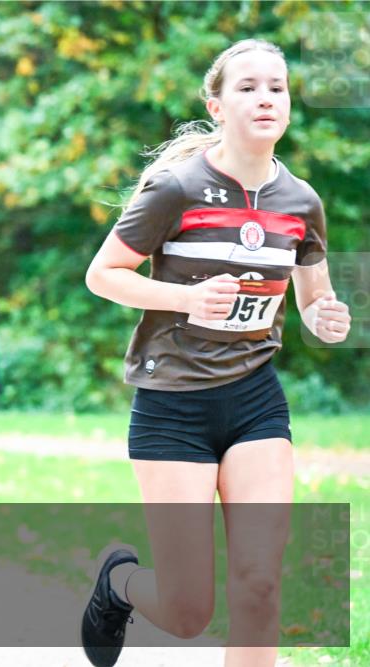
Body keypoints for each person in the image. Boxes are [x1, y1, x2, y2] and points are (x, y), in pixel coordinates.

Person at [81, 39, 351, 667]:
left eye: (277, 88)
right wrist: (184, 299)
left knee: (259, 586)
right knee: (187, 613)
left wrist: (326, 319)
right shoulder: (176, 190)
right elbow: (104, 275)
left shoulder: (301, 202)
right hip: (173, 406)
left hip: (254, 399)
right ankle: (118, 584)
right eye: (248, 87)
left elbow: (314, 301)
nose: (265, 98)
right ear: (217, 104)